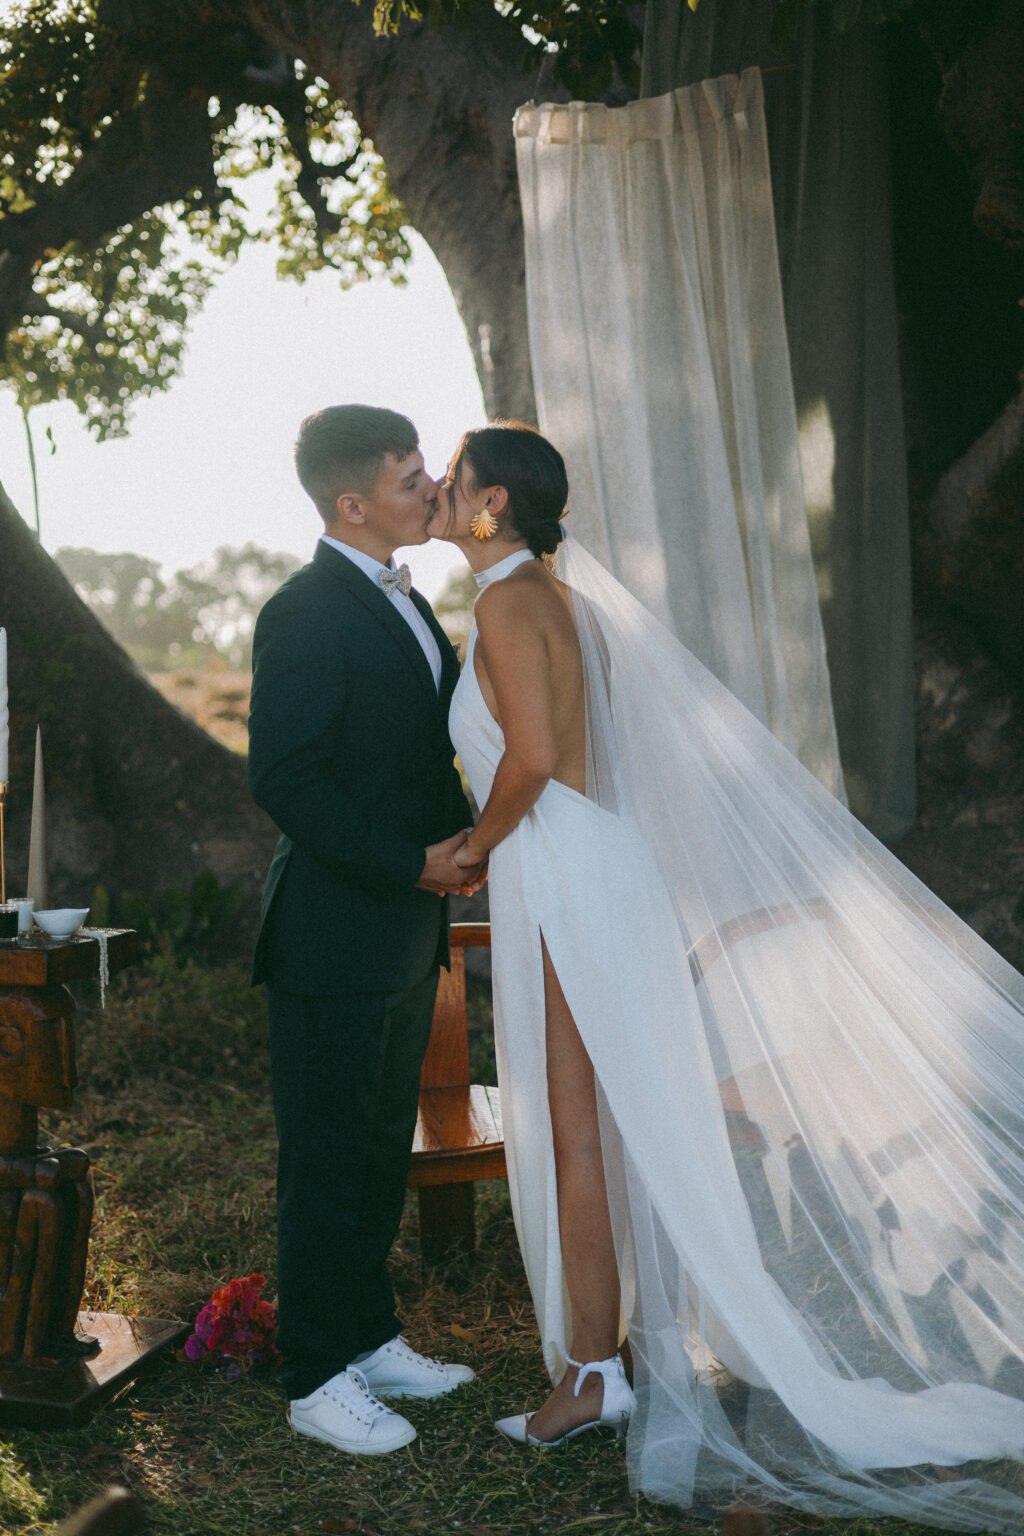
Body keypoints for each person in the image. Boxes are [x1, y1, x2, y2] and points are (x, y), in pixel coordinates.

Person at [430, 420, 1024, 1531]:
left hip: (559, 863)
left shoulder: (509, 602)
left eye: (454, 477)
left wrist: (472, 851)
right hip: (590, 860)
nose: (439, 489)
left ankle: (592, 1374)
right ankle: (604, 1360)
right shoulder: (561, 599)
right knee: (595, 1129)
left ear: (493, 502)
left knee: (578, 1131)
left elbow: (535, 760)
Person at [248, 405, 483, 1456]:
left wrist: (466, 838)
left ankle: (368, 1335)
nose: (432, 489)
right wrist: (410, 862)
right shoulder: (303, 611)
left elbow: (416, 754)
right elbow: (285, 778)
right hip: (333, 932)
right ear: (352, 504)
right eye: (410, 478)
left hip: (401, 930)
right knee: (327, 1158)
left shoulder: (409, 597)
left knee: (382, 1145)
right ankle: (313, 1376)